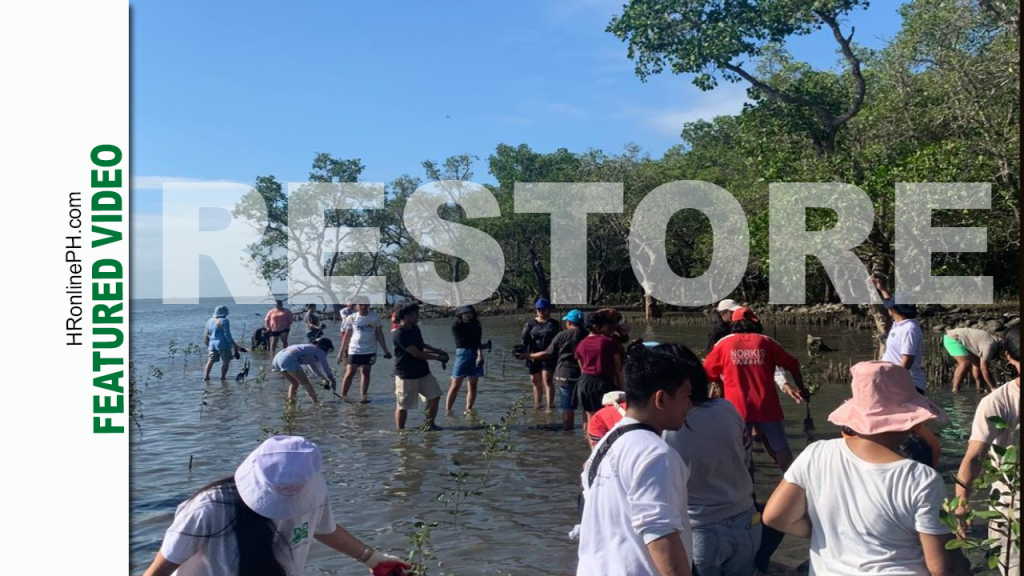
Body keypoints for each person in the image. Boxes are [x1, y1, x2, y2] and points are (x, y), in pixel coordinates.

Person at [763, 362, 969, 576]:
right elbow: (942, 568)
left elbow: (775, 517)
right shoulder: (920, 478)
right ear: (910, 421)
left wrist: (832, 532)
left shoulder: (816, 453)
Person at [142, 435, 410, 576]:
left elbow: (322, 528)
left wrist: (374, 560)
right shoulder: (208, 508)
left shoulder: (314, 492)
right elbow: (159, 571)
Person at [576, 340, 696, 576]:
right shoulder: (656, 454)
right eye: (686, 396)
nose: (690, 405)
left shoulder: (607, 443)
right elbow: (661, 535)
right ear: (661, 399)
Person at [663, 342, 760, 576]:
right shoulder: (727, 409)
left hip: (700, 530)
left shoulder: (665, 430)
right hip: (745, 522)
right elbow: (746, 459)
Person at [703, 307, 809, 472]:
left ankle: (749, 494)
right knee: (781, 447)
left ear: (734, 323)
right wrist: (801, 388)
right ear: (755, 322)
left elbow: (707, 372)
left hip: (737, 408)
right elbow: (793, 365)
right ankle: (796, 485)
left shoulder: (724, 344)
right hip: (767, 406)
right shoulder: (766, 342)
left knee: (743, 453)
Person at [955, 324, 1019, 576]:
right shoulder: (997, 402)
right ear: (1009, 357)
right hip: (1011, 504)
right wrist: (961, 503)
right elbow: (974, 456)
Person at [393, 304, 447, 430]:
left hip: (423, 371)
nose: (418, 317)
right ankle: (401, 432)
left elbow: (421, 345)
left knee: (435, 396)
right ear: (407, 316)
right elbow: (417, 354)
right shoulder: (399, 334)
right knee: (403, 406)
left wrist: (438, 350)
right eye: (416, 314)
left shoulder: (415, 329)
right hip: (406, 375)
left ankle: (430, 425)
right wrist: (438, 358)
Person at [575, 310, 625, 427]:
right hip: (603, 384)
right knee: (607, 420)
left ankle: (591, 444)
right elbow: (618, 370)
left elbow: (582, 369)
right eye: (605, 325)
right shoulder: (609, 342)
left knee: (590, 420)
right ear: (596, 326)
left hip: (584, 384)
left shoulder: (580, 344)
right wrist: (622, 389)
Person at [337, 296, 391, 397]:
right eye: (360, 304)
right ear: (356, 306)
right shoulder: (351, 317)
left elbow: (379, 334)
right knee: (349, 372)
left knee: (365, 372)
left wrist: (385, 350)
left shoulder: (374, 317)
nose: (363, 306)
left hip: (369, 350)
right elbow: (347, 335)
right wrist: (341, 352)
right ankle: (343, 396)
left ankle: (363, 396)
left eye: (365, 304)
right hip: (354, 350)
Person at [521, 298, 561, 410]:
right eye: (539, 309)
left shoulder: (554, 324)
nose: (541, 311)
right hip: (533, 355)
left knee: (547, 380)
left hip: (549, 355)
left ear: (548, 310)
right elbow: (524, 340)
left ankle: (549, 406)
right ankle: (537, 404)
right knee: (535, 380)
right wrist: (521, 351)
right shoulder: (530, 324)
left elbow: (558, 340)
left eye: (544, 309)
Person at [271, 339, 337, 404]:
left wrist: (323, 378)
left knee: (294, 383)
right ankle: (316, 404)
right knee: (306, 383)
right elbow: (326, 367)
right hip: (288, 358)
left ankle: (291, 404)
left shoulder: (309, 348)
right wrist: (332, 380)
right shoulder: (320, 351)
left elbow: (313, 367)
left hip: (277, 358)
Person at [447, 305, 486, 413]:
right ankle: (448, 410)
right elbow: (462, 342)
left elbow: (478, 342)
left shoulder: (477, 326)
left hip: (475, 353)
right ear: (460, 314)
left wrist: (480, 355)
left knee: (473, 384)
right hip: (462, 353)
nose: (468, 315)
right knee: (456, 384)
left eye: (470, 313)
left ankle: (468, 409)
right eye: (466, 313)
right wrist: (476, 347)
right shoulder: (456, 327)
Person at [944, 327, 1003, 393]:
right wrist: (994, 388)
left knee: (977, 363)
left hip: (962, 338)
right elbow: (983, 368)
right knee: (965, 363)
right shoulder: (989, 346)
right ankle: (955, 390)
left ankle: (980, 389)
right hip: (953, 338)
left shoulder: (998, 341)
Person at [203, 305, 243, 381]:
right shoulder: (225, 321)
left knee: (210, 360)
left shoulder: (210, 320)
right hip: (223, 344)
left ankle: (206, 377)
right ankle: (223, 377)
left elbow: (206, 334)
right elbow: (227, 334)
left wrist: (208, 344)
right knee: (226, 360)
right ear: (225, 313)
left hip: (212, 344)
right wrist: (234, 345)